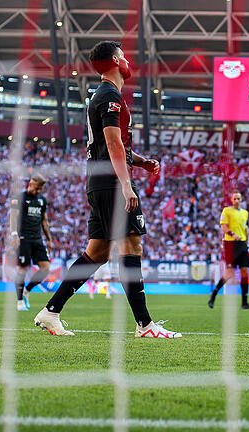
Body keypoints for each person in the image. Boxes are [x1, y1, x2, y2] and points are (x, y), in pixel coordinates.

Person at [33, 40, 181, 338]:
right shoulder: (110, 96)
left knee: (97, 252)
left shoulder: (102, 95)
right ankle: (145, 325)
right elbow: (112, 144)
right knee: (132, 245)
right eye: (124, 57)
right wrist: (127, 185)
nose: (128, 62)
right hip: (112, 183)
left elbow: (110, 146)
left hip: (99, 181)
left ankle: (50, 312)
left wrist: (141, 162)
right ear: (115, 60)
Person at [9, 174, 53, 311]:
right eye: (37, 188)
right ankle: (19, 301)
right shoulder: (19, 198)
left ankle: (26, 290)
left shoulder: (42, 200)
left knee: (45, 268)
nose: (39, 191)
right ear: (30, 184)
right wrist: (14, 235)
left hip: (37, 239)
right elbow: (13, 217)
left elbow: (44, 221)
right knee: (23, 268)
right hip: (23, 238)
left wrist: (49, 239)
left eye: (41, 189)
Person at [208, 191, 249, 310]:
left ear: (241, 200)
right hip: (231, 244)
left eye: (238, 199)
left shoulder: (245, 213)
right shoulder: (227, 211)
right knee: (229, 272)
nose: (236, 201)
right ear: (231, 200)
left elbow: (245, 228)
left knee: (245, 271)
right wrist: (232, 234)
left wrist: (246, 242)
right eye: (234, 199)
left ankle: (245, 302)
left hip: (242, 244)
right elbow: (223, 226)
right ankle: (214, 294)